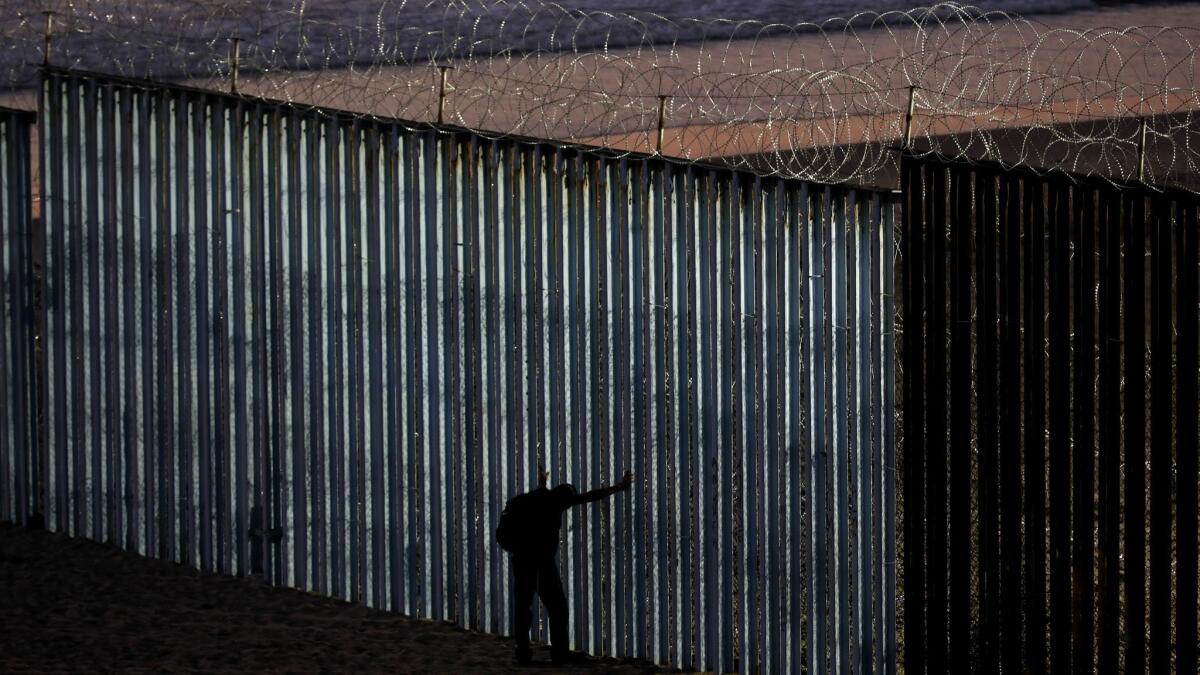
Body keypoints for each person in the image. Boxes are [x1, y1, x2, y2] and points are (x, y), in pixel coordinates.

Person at [501, 466, 633, 665]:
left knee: (523, 607)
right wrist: (618, 487)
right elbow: (589, 496)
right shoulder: (555, 502)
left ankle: (522, 653)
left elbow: (542, 490)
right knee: (557, 607)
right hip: (542, 563)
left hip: (520, 560)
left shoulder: (531, 498)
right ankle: (560, 653)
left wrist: (543, 479)